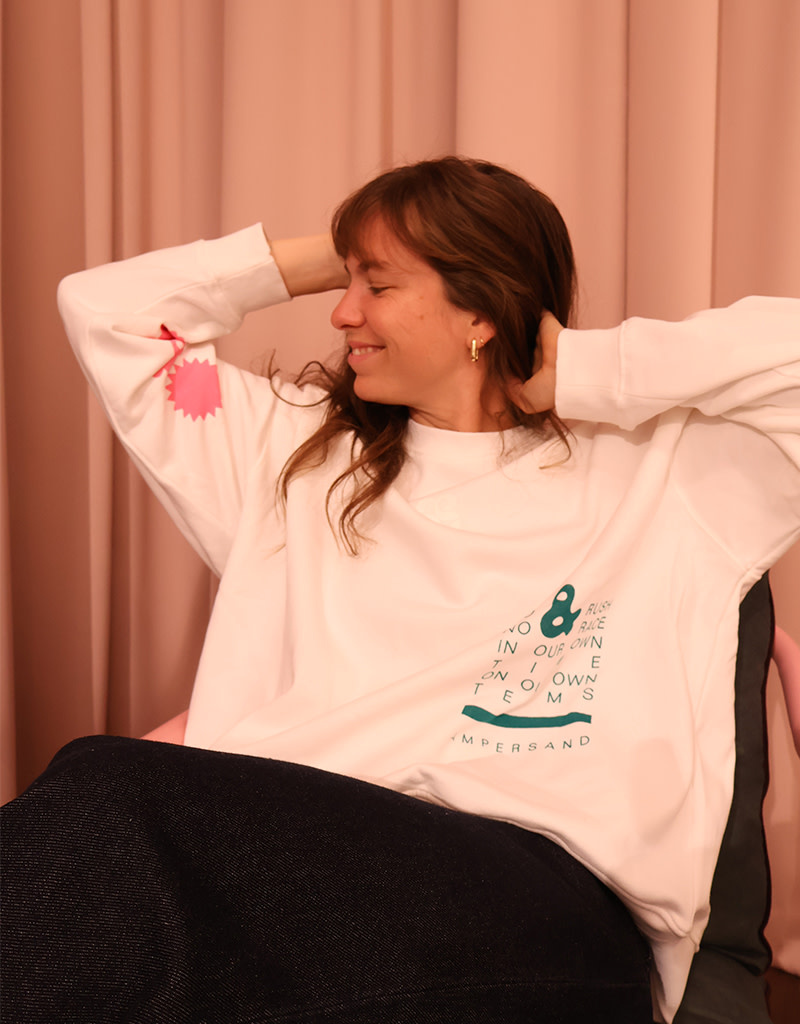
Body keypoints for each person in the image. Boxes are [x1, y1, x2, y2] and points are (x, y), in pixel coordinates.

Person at [2, 157, 799, 1024]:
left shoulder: (667, 471)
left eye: (377, 286)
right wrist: (340, 251)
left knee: (109, 798)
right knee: (102, 851)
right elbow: (108, 312)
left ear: (480, 310)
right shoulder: (286, 456)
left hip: (543, 907)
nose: (341, 311)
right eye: (344, 281)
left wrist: (580, 368)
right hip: (290, 877)